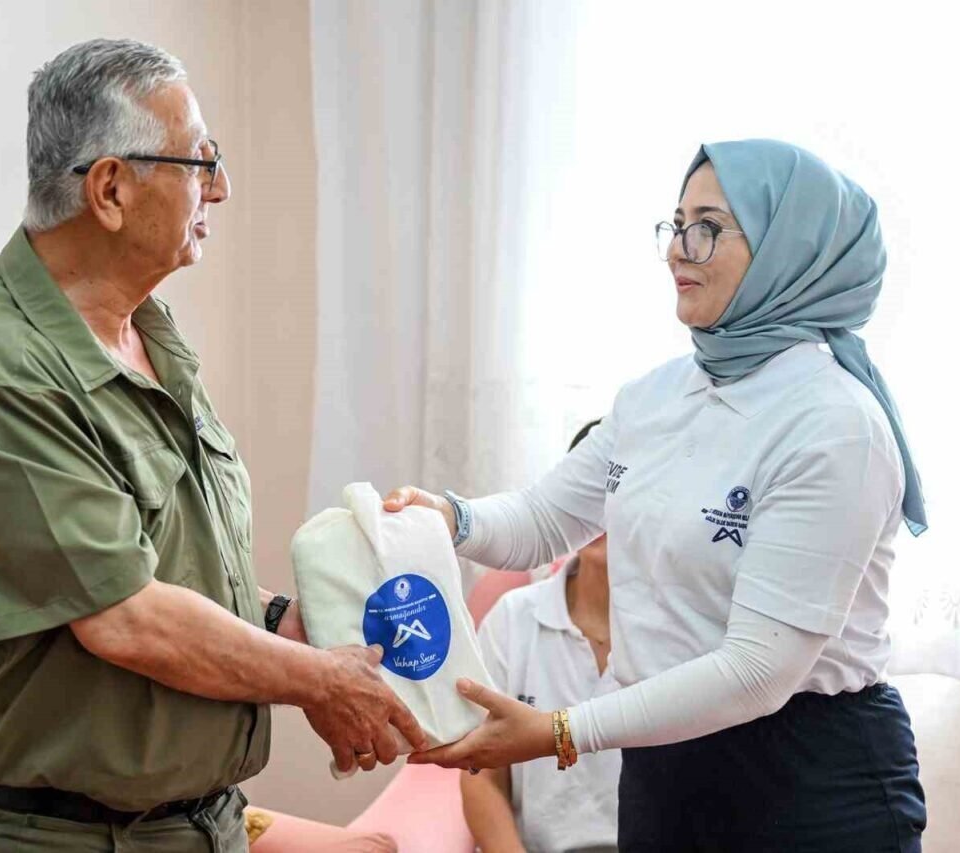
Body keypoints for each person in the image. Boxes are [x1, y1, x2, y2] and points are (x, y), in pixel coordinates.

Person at [0, 39, 424, 853]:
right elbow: (125, 615)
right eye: (200, 161)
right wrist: (319, 680)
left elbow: (172, 564)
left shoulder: (147, 333)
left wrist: (287, 624)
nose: (221, 187)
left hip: (205, 823)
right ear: (110, 189)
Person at [385, 140, 929, 852]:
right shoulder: (655, 396)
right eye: (676, 224)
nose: (678, 249)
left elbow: (758, 671)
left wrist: (560, 731)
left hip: (807, 782)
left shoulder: (835, 426)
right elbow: (545, 521)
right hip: (662, 773)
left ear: (788, 248)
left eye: (708, 226)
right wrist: (449, 517)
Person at [462, 419, 621, 853]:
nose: (601, 508)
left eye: (620, 488)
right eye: (588, 491)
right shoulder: (513, 620)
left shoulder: (683, 631)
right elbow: (482, 777)